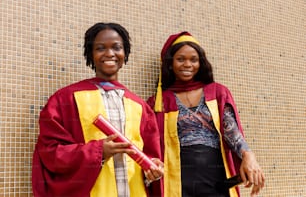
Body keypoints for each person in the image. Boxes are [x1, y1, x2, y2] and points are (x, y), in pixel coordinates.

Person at [32, 22, 163, 197]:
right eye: (100, 48)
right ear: (90, 54)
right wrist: (98, 152)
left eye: (117, 47)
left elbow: (150, 158)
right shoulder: (65, 100)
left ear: (125, 53)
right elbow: (50, 152)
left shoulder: (141, 107)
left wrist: (151, 172)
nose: (109, 53)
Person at [147, 31, 265, 197]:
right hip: (178, 182)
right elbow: (151, 146)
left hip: (216, 178)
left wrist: (248, 155)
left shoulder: (217, 93)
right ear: (170, 63)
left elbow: (232, 132)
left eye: (193, 59)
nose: (187, 64)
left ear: (200, 62)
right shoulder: (158, 102)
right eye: (180, 59)